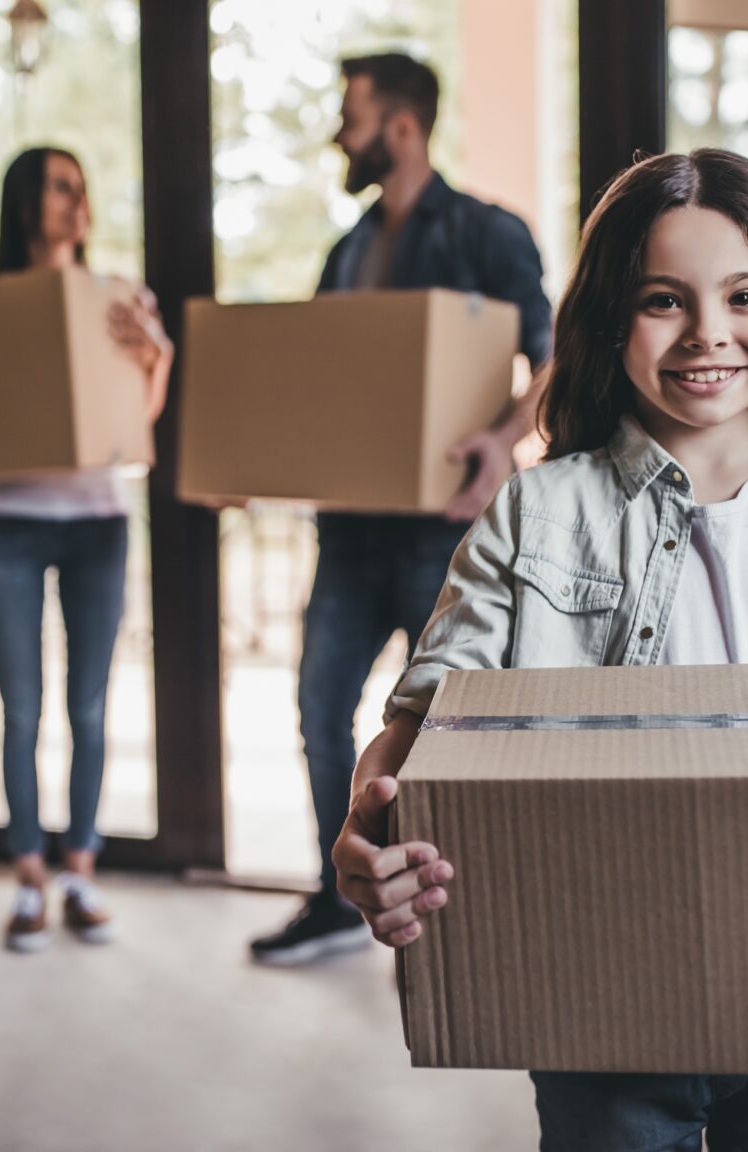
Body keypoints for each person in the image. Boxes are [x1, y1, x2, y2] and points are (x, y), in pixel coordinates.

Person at [334, 146, 748, 1149]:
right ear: (611, 315)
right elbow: (432, 711)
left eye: (743, 296)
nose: (711, 335)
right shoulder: (538, 512)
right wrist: (370, 824)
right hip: (603, 997)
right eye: (664, 300)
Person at [250, 52, 552, 965]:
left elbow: (553, 357)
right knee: (319, 709)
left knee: (447, 731)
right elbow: (318, 382)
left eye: (353, 115)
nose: (342, 133)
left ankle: (449, 904)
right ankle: (339, 893)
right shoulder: (346, 251)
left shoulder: (488, 234)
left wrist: (501, 441)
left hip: (441, 538)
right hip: (348, 533)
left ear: (404, 126)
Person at [0, 146, 173, 953]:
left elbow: (140, 419)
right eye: (61, 188)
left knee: (89, 706)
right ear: (26, 202)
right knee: (20, 708)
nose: (77, 202)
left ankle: (80, 871)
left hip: (98, 518)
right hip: (8, 522)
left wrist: (153, 355)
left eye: (82, 189)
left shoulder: (119, 300)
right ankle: (28, 877)